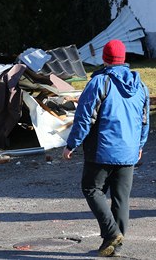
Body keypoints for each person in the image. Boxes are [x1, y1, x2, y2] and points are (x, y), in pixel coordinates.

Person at [62, 39, 150, 257]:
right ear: (124, 58)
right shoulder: (141, 86)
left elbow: (84, 118)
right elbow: (145, 120)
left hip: (102, 149)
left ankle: (112, 234)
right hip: (128, 151)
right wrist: (140, 145)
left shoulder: (99, 82)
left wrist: (71, 144)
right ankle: (113, 247)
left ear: (104, 58)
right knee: (121, 199)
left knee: (92, 189)